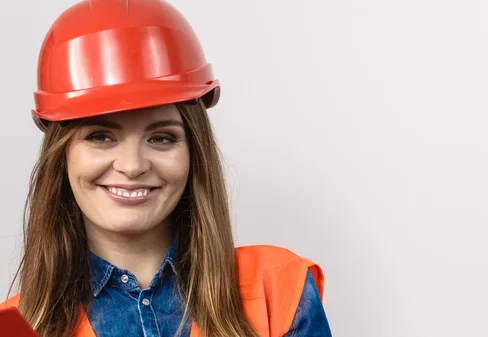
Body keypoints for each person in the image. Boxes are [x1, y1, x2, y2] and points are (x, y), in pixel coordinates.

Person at [0, 0, 332, 336]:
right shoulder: (14, 327)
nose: (132, 166)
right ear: (62, 155)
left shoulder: (277, 289)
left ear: (194, 151)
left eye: (161, 138)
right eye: (100, 136)